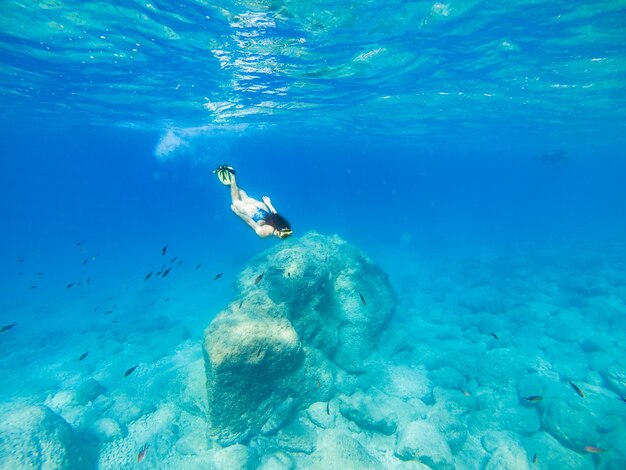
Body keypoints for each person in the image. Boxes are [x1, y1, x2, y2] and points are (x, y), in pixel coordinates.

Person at [213, 165, 293, 239]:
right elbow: (250, 221)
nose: (285, 237)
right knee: (235, 201)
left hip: (262, 208)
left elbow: (275, 214)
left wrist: (268, 203)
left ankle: (232, 186)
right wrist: (237, 212)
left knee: (245, 197)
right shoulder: (264, 233)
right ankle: (232, 175)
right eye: (285, 236)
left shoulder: (281, 223)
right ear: (280, 233)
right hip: (253, 213)